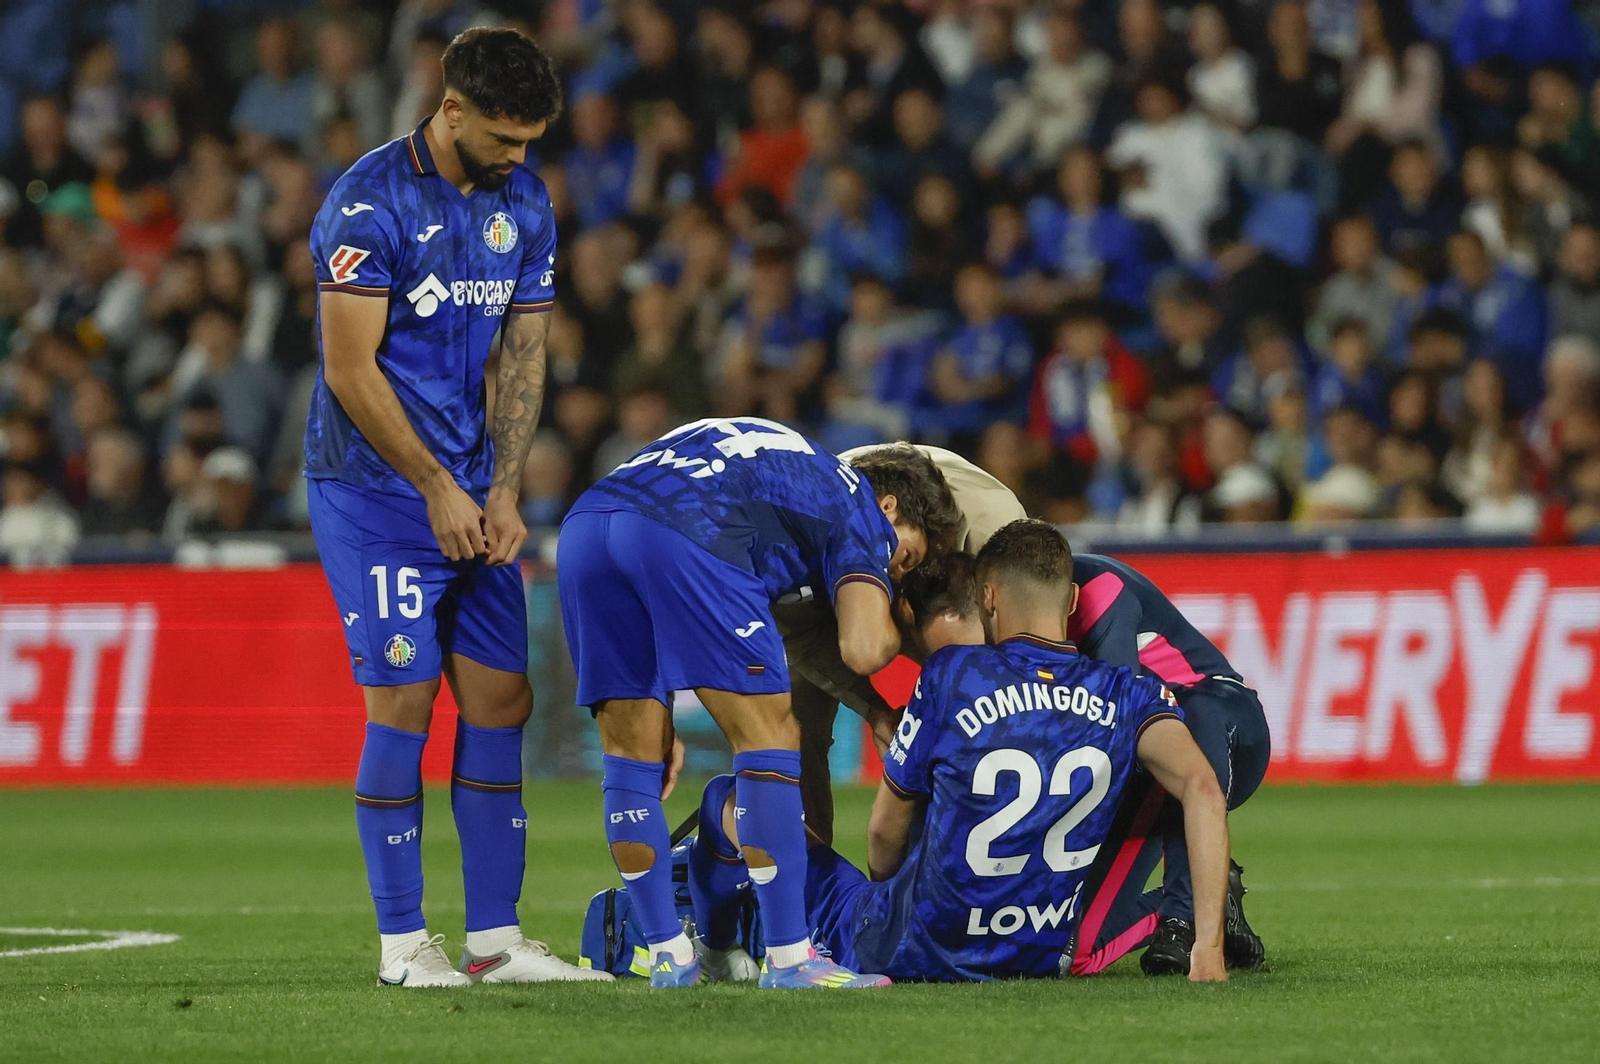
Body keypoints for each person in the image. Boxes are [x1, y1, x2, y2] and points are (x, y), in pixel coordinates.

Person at [302, 28, 604, 989]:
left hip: (472, 493)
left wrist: (505, 485)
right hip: (375, 490)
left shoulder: (524, 201)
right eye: (507, 139)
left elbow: (521, 353)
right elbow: (350, 370)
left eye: (533, 142)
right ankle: (402, 945)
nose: (522, 159)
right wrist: (434, 485)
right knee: (404, 694)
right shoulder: (367, 202)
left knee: (501, 700)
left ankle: (496, 942)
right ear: (454, 108)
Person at [688, 523, 1232, 983]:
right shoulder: (1129, 693)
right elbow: (1204, 790)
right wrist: (1206, 947)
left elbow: (883, 832)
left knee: (729, 799)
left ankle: (714, 953)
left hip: (912, 947)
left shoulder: (952, 674)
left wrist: (886, 902)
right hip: (1038, 956)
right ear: (1069, 601)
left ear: (987, 597)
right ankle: (1206, 920)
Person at [557, 420, 953, 989]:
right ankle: (792, 961)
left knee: (630, 759)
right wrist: (901, 617)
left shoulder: (793, 465)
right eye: (908, 557)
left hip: (589, 521)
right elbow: (864, 649)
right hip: (689, 527)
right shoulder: (859, 505)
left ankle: (671, 956)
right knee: (771, 738)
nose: (896, 570)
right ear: (890, 507)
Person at [1064, 552, 1271, 975]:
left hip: (1222, 731)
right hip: (1144, 768)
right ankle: (1212, 889)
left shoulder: (1100, 590)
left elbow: (1113, 725)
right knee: (1078, 953)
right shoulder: (1024, 607)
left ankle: (1184, 919)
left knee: (1194, 715)